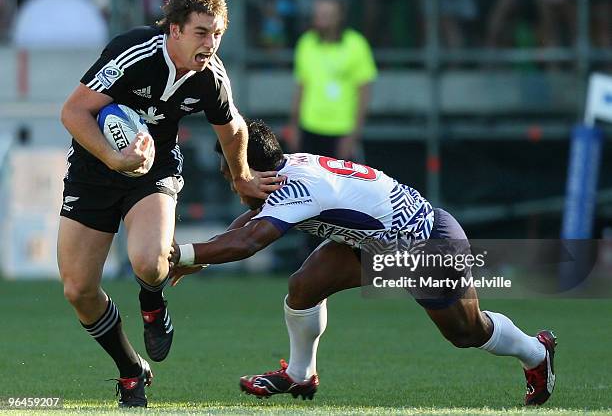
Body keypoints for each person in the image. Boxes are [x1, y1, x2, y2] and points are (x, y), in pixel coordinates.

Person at [169, 120, 557, 407]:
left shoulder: (296, 188)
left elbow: (251, 240)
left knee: (466, 333)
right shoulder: (283, 170)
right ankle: (299, 376)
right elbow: (252, 222)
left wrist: (183, 254)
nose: (230, 179)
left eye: (232, 171)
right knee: (305, 286)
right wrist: (201, 256)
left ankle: (536, 352)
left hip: (423, 243)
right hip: (375, 244)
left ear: (252, 169)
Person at [58, 0, 282, 408]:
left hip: (153, 170)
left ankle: (152, 302)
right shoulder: (134, 52)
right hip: (94, 168)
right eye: (202, 33)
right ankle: (130, 371)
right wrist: (112, 156)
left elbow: (233, 128)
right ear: (174, 30)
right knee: (78, 290)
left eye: (217, 34)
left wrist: (242, 177)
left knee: (150, 259)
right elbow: (73, 111)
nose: (211, 43)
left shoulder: (211, 77)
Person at [285, 0, 376, 162]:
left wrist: (354, 135)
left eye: (327, 15)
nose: (321, 20)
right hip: (309, 127)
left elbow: (364, 93)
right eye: (318, 15)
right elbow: (301, 87)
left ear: (339, 17)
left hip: (342, 130)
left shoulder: (356, 44)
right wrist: (294, 126)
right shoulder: (306, 43)